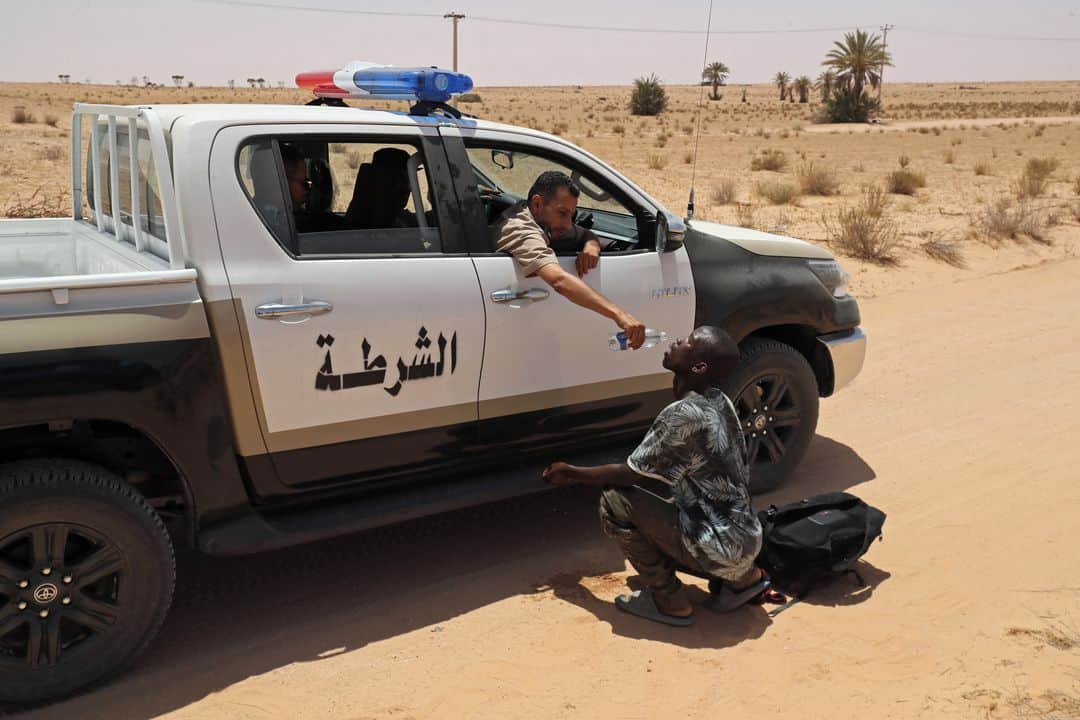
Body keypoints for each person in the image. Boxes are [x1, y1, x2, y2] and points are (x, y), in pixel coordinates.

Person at [543, 326, 779, 626]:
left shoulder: (684, 415)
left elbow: (629, 474)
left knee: (615, 501)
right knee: (670, 498)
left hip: (717, 544)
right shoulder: (720, 400)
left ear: (699, 366)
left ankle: (670, 601)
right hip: (745, 539)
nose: (679, 341)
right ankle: (743, 581)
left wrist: (572, 473)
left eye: (688, 342)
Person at [494, 171, 646, 349]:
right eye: (562, 213)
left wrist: (591, 245)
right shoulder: (521, 230)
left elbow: (582, 233)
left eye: (571, 215)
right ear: (537, 203)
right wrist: (620, 315)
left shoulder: (535, 215)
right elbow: (559, 280)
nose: (567, 224)